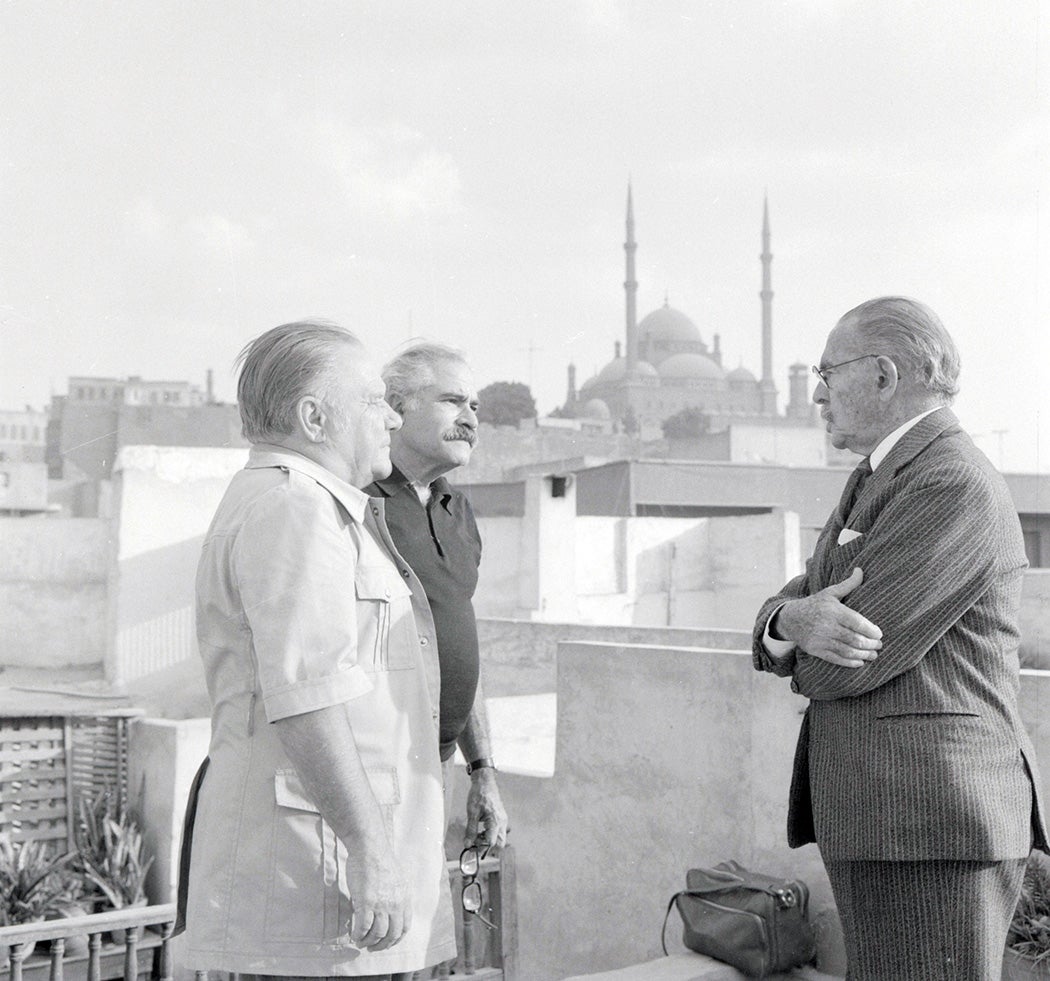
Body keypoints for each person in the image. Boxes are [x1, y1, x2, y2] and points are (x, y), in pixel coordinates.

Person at [752, 296, 1048, 979]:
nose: (819, 393)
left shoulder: (950, 481)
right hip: (890, 819)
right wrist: (790, 621)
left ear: (885, 376)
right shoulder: (880, 475)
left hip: (929, 827)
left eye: (831, 372)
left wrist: (795, 634)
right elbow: (799, 601)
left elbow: (848, 663)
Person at [180, 320, 456, 981]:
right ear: (313, 416)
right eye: (371, 399)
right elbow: (307, 700)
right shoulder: (293, 509)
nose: (390, 416)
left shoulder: (306, 505)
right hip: (316, 881)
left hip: (324, 878)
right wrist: (370, 850)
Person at [365, 342, 509, 852]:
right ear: (397, 408)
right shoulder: (359, 502)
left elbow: (455, 641)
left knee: (425, 926)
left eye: (475, 407)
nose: (470, 418)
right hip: (372, 776)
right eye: (452, 401)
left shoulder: (458, 508)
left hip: (440, 772)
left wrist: (483, 769)